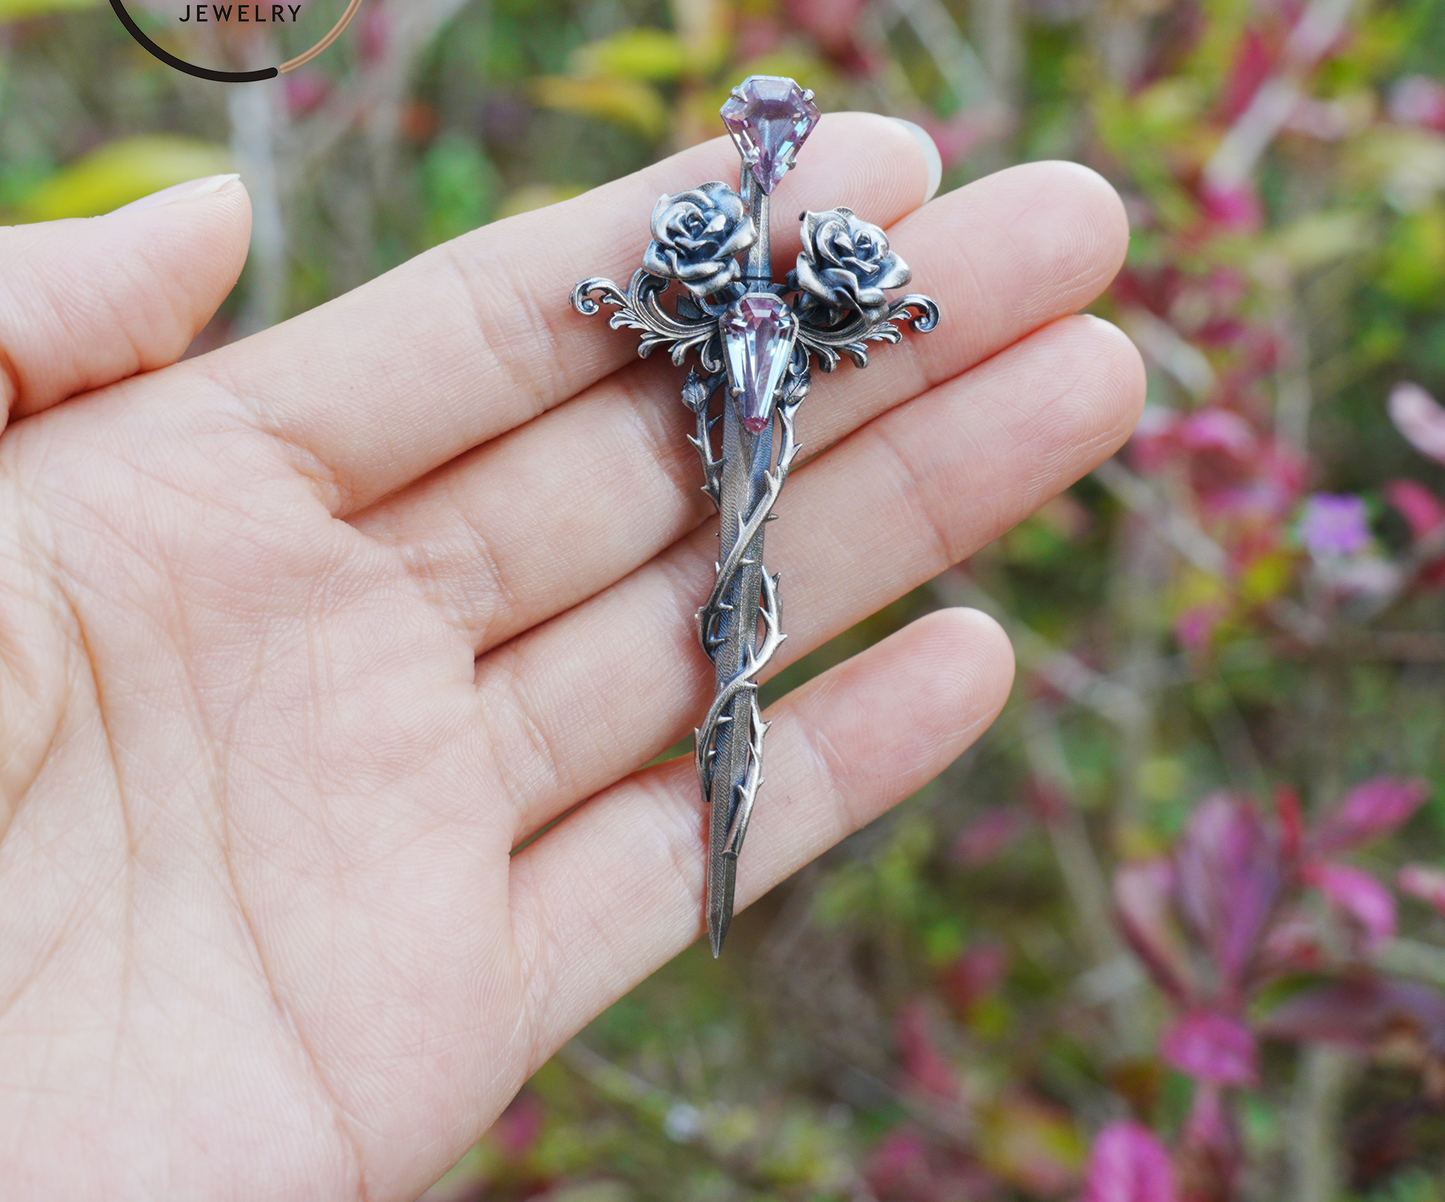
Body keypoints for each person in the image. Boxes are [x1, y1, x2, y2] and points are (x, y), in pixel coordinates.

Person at [0, 114, 1142, 1200]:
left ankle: (728, 777)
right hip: (724, 465)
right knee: (738, 591)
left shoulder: (770, 314)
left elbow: (801, 326)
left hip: (751, 465)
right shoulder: (725, 309)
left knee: (745, 585)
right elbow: (658, 317)